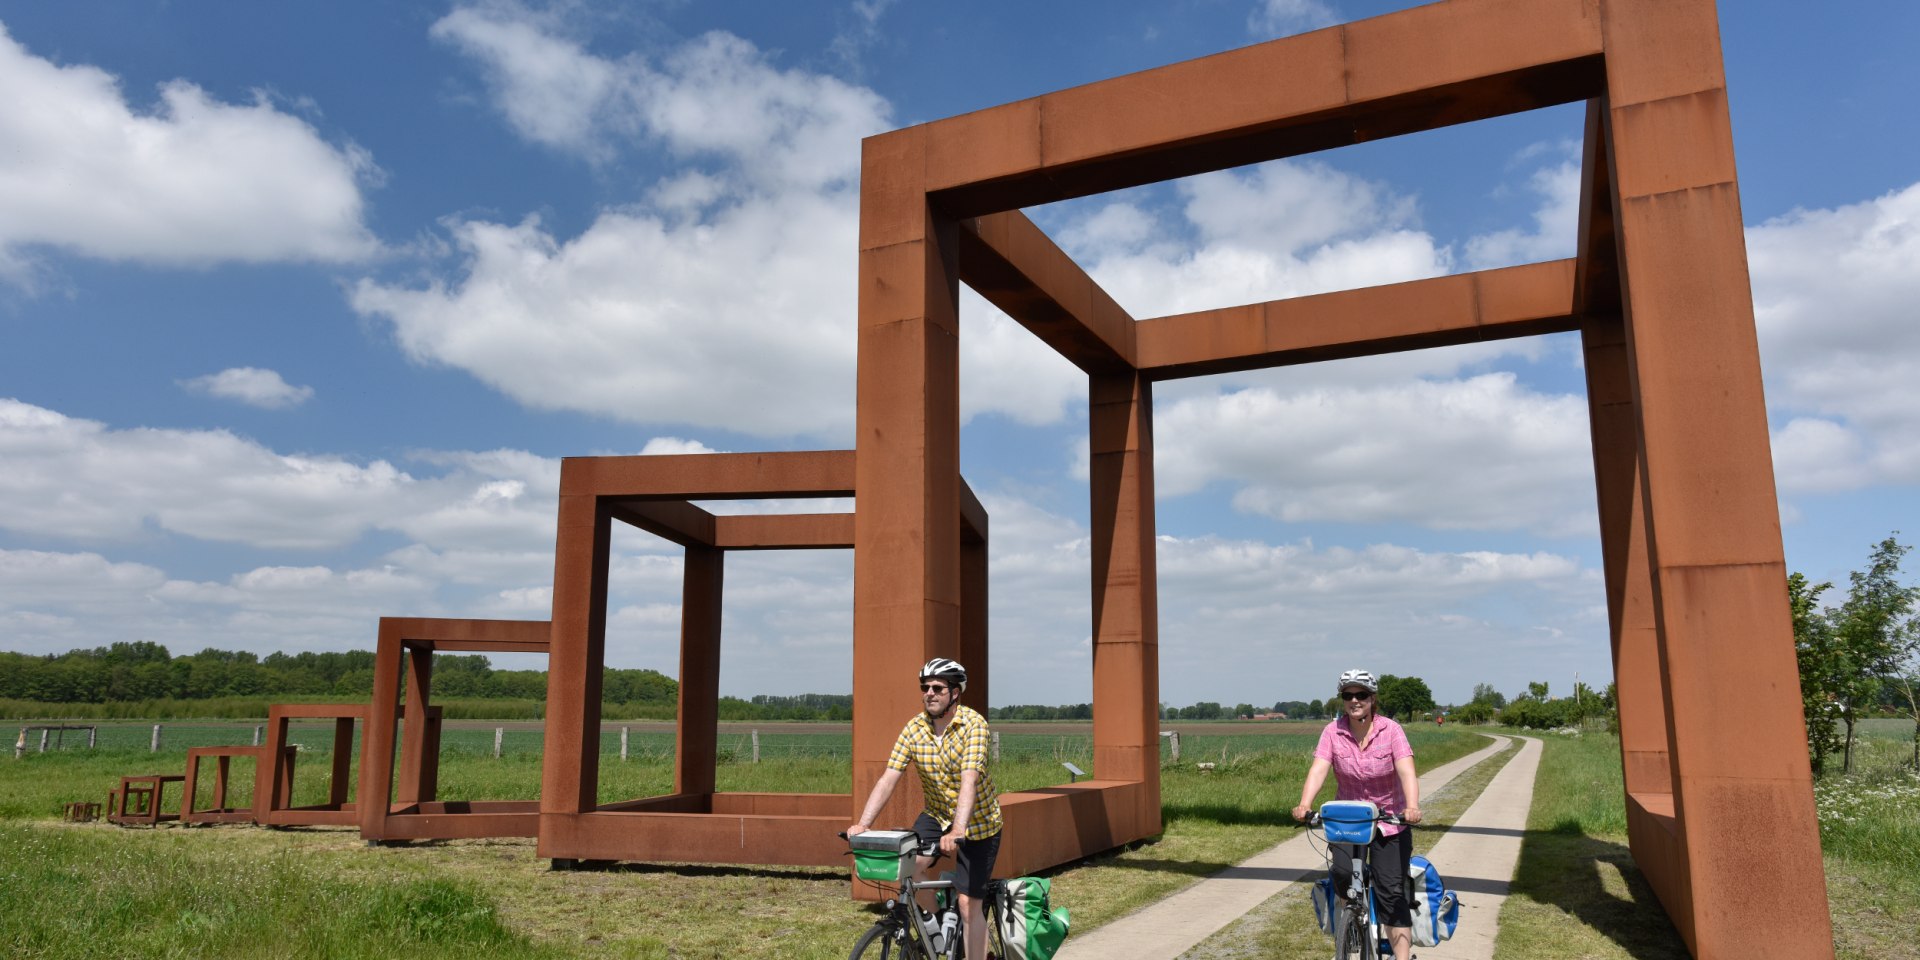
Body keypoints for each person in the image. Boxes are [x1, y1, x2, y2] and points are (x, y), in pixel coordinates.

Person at [850, 658, 1003, 960]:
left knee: (968, 905)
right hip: (936, 814)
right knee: (909, 866)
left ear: (955, 693)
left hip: (979, 822)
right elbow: (889, 778)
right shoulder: (914, 728)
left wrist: (959, 829)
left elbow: (968, 780)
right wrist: (863, 824)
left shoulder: (974, 726)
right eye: (925, 687)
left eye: (937, 688)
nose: (929, 693)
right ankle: (936, 928)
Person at [1293, 669, 1423, 960]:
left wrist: (1411, 806)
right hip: (1348, 821)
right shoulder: (1332, 732)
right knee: (1340, 873)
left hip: (1388, 823)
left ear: (1372, 698)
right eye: (1348, 695)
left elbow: (1406, 770)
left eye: (1361, 694)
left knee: (1391, 893)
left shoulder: (1391, 730)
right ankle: (1353, 920)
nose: (1354, 700)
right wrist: (1304, 803)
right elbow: (1318, 769)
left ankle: (1401, 956)